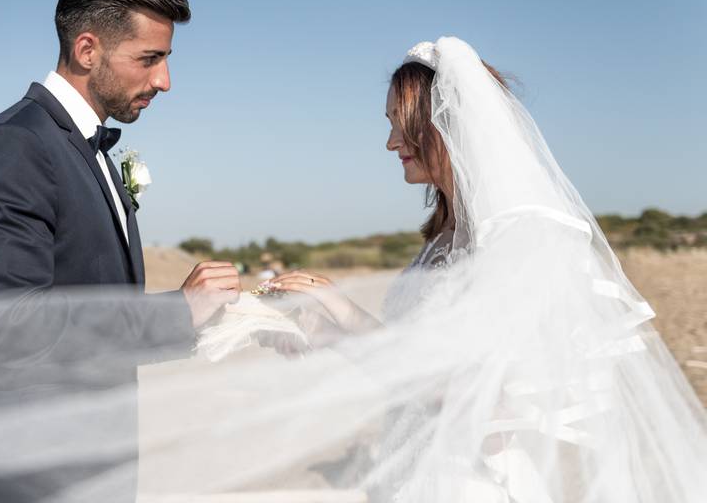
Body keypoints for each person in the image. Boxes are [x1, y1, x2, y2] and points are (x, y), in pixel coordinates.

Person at [255, 37, 707, 501]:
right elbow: (415, 372)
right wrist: (320, 329)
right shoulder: (446, 239)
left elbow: (478, 399)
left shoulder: (524, 241)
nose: (390, 142)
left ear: (446, 125)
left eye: (401, 124)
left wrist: (343, 313)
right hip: (412, 473)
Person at [0, 0, 241, 503]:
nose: (165, 81)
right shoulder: (14, 147)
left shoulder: (85, 148)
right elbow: (7, 325)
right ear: (87, 50)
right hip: (26, 480)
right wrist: (176, 312)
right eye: (150, 59)